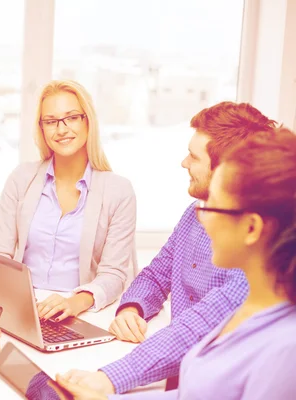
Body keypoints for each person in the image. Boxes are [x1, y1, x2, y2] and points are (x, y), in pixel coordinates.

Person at [56, 129, 296, 399]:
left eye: (212, 207)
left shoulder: (285, 350)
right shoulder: (259, 307)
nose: (202, 219)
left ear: (251, 228)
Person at [0, 80, 137, 320]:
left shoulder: (118, 191)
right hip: (23, 307)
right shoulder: (21, 178)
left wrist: (73, 303)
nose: (62, 129)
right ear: (42, 128)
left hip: (82, 311)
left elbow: (114, 274)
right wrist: (15, 301)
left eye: (72, 117)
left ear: (88, 121)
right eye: (51, 121)